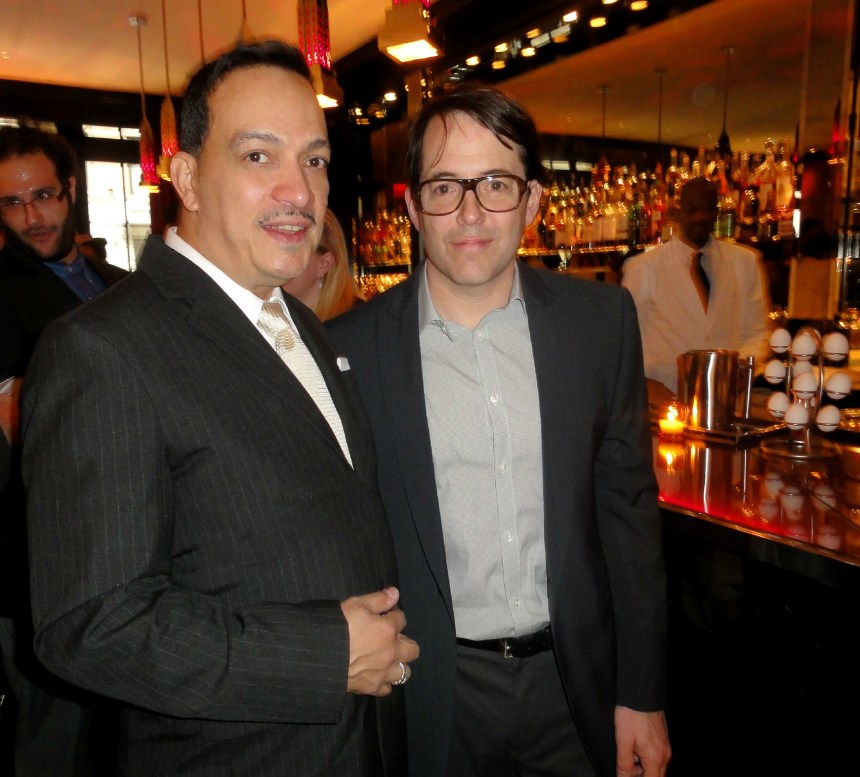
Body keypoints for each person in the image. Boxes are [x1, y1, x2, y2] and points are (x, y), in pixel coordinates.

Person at [22, 40, 417, 777]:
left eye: (315, 160)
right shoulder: (102, 348)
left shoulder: (300, 326)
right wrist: (323, 653)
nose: (299, 192)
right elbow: (91, 624)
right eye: (258, 157)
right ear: (188, 179)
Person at [328, 83, 670, 777]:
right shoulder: (350, 351)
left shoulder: (601, 324)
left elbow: (629, 517)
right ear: (413, 207)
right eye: (445, 186)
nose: (471, 212)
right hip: (432, 689)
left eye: (495, 184)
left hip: (576, 681)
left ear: (533, 201)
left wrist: (642, 691)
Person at [0, 124, 127, 777]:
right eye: (11, 203)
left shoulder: (117, 281)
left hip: (131, 548)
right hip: (43, 562)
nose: (31, 217)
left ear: (70, 190)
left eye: (43, 196)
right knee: (56, 741)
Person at [622, 176, 770, 405]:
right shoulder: (643, 267)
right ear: (678, 212)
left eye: (707, 209)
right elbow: (625, 338)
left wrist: (741, 366)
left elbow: (756, 332)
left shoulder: (745, 262)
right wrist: (645, 385)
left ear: (717, 212)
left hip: (724, 399)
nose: (700, 217)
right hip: (663, 398)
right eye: (692, 209)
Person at [282, 208, 365, 321]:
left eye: (292, 253)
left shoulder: (357, 320)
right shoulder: (274, 315)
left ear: (324, 264)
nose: (278, 263)